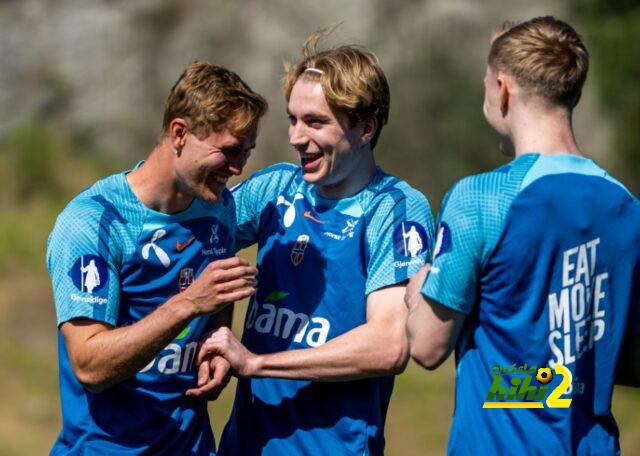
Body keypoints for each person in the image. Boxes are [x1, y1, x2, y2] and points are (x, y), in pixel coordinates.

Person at [405, 16, 640, 455]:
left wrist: (420, 288)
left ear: (502, 87)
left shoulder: (480, 198)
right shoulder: (627, 205)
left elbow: (426, 346)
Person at [192, 31, 435, 454]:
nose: (295, 137)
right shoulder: (275, 189)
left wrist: (257, 364)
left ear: (365, 128)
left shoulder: (394, 209)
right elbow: (189, 237)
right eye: (293, 119)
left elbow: (388, 344)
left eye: (315, 122)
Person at [46, 61, 267, 455]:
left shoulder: (218, 207)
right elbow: (90, 366)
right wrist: (187, 304)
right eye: (230, 151)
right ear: (180, 133)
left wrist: (216, 339)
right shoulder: (93, 223)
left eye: (247, 152)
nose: (237, 168)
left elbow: (213, 301)